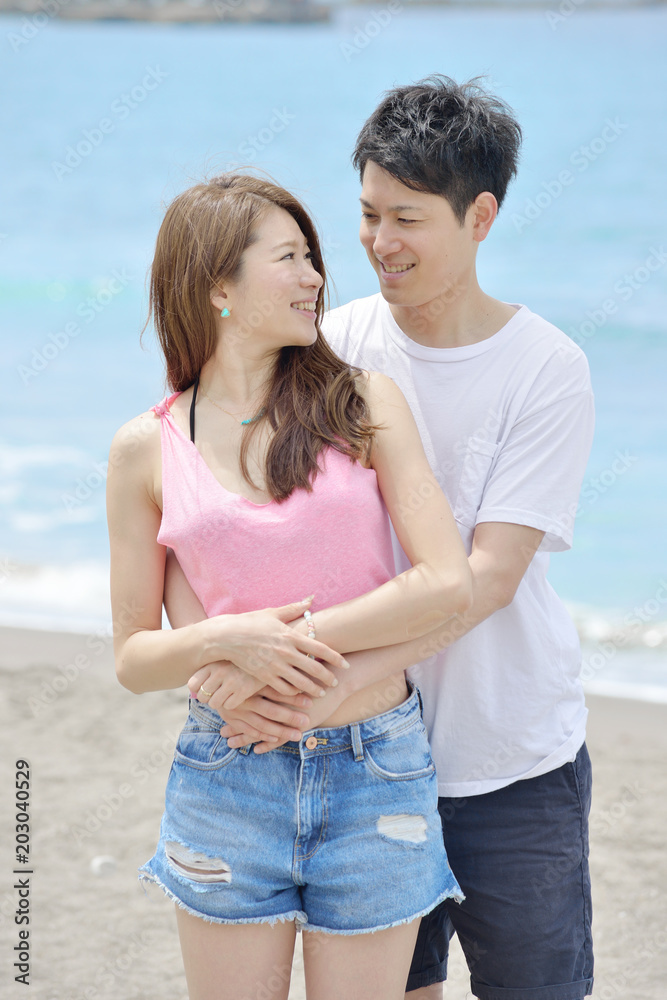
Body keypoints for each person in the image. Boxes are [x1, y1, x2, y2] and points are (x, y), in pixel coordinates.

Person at [193, 77, 596, 1000]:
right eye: (368, 214)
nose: (378, 242)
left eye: (406, 219)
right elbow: (241, 514)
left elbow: (486, 579)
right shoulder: (326, 347)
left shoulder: (545, 368)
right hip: (360, 767)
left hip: (508, 763)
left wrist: (303, 669)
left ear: (480, 216)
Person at [106, 172, 474, 1000]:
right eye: (289, 258)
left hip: (374, 768)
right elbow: (133, 658)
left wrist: (287, 644)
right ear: (218, 288)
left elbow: (445, 582)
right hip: (228, 773)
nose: (315, 276)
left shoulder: (364, 403)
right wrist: (224, 640)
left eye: (311, 257)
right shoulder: (144, 449)